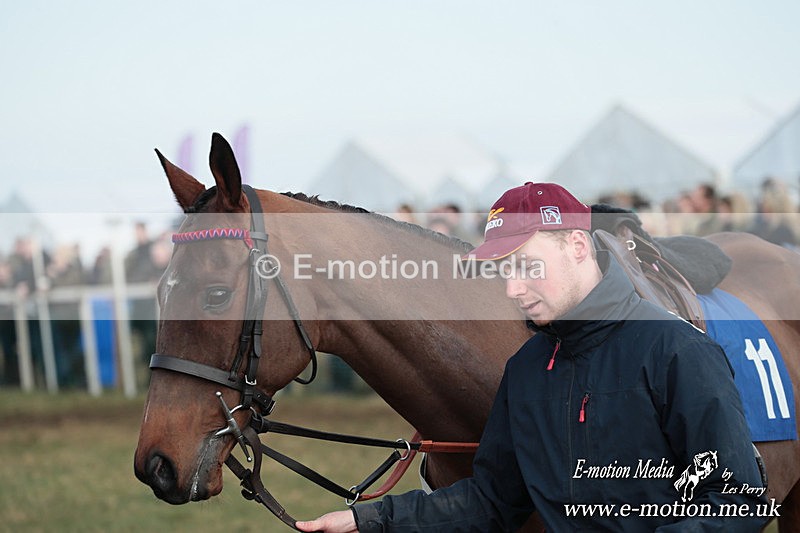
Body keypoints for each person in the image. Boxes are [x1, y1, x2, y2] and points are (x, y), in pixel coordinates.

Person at [297, 182, 767, 532]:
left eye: (526, 266)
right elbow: (492, 501)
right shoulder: (525, 369)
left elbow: (738, 501)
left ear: (578, 246)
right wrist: (368, 521)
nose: (512, 288)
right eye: (504, 270)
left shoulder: (677, 351)